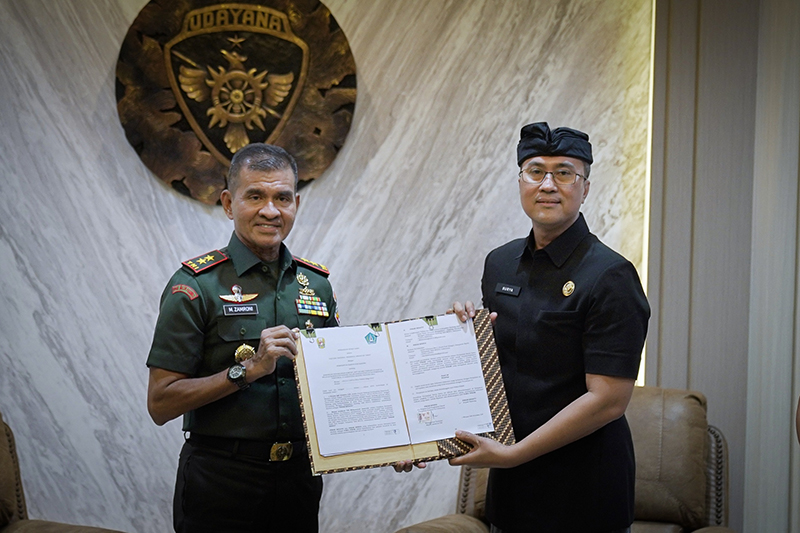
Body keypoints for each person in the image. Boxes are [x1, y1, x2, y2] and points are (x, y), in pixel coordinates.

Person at [449, 122, 650, 533]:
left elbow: (609, 400)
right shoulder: (500, 263)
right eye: (535, 171)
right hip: (512, 489)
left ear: (585, 188)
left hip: (584, 492)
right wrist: (462, 337)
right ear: (520, 181)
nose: (548, 185)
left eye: (564, 173)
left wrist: (515, 453)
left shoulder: (611, 275)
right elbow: (500, 368)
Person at [146, 143, 339, 533]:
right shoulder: (194, 286)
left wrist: (396, 442)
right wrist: (246, 371)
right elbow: (161, 403)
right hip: (221, 482)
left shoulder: (316, 285)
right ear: (229, 203)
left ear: (296, 204)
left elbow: (336, 384)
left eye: (282, 198)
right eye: (256, 196)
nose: (271, 210)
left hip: (299, 481)